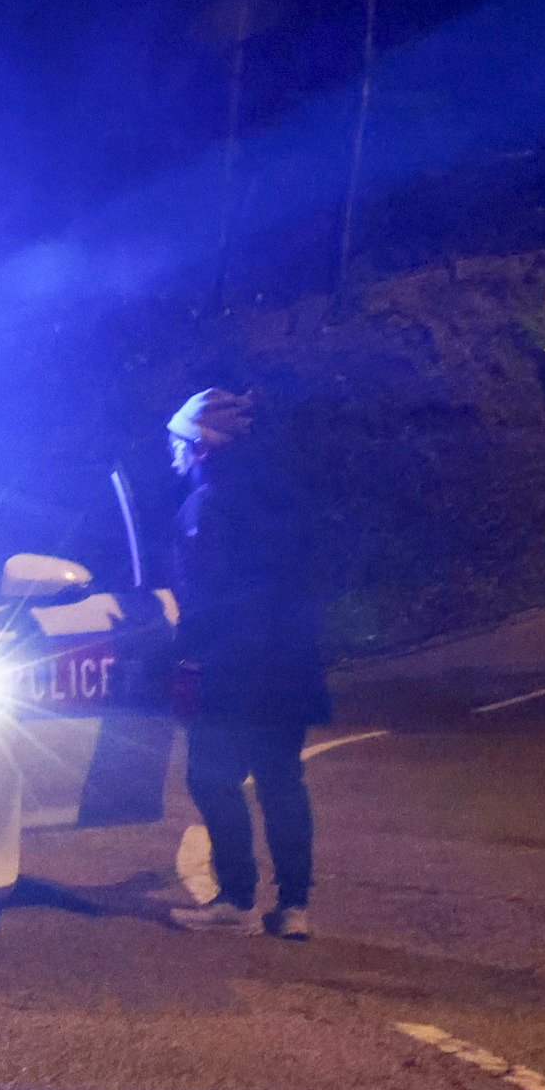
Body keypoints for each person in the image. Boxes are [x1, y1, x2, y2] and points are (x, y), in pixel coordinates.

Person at [160, 388, 328, 938]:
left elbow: (208, 592)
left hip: (234, 664)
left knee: (210, 776)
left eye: (177, 442)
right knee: (282, 780)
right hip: (292, 659)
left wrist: (184, 651)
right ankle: (295, 907)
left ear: (200, 446)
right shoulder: (284, 492)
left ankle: (234, 897)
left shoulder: (208, 504)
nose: (172, 453)